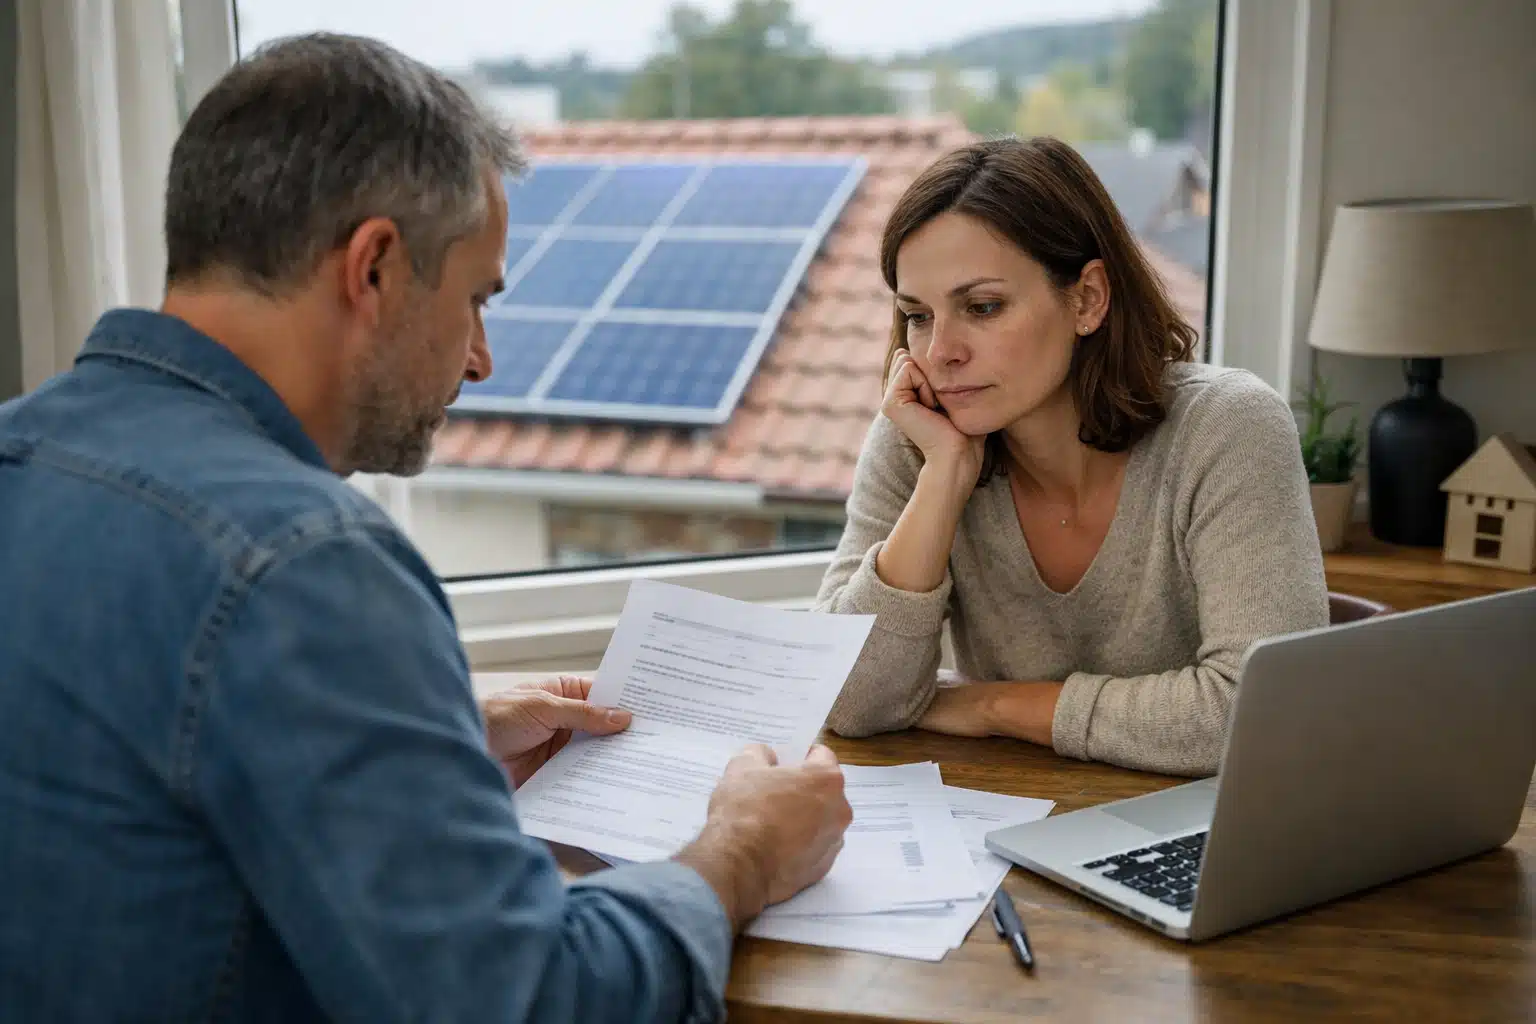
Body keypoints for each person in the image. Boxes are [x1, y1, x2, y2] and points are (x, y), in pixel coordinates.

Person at [0, 33, 851, 1023]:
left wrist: (430, 735)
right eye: (477, 298)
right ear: (375, 267)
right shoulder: (307, 567)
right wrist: (740, 853)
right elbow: (534, 1003)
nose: (482, 358)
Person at [815, 137, 1329, 778]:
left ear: (1087, 299)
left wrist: (997, 706)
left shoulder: (1226, 429)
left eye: (983, 307)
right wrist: (944, 478)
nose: (940, 351)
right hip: (1004, 827)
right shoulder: (917, 438)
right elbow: (844, 699)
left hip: (1200, 838)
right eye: (917, 316)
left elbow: (1263, 713)